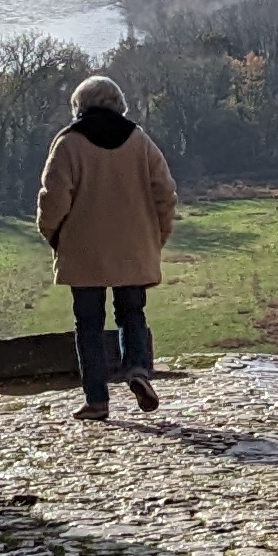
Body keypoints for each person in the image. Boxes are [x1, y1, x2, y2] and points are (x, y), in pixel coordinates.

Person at [36, 73, 179, 420]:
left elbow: (52, 199)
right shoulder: (140, 142)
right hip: (133, 245)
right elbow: (166, 193)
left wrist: (52, 235)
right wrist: (155, 238)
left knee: (88, 324)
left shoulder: (68, 144)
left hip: (84, 250)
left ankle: (97, 399)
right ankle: (137, 370)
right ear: (119, 105)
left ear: (78, 107)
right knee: (132, 313)